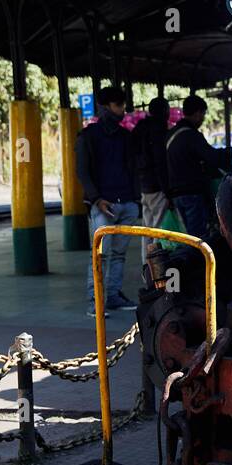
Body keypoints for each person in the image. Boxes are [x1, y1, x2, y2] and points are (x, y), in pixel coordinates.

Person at [76, 87, 140, 313]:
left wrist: (135, 201)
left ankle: (112, 296)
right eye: (118, 105)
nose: (122, 110)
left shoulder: (125, 136)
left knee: (118, 254)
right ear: (105, 107)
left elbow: (132, 168)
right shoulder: (87, 136)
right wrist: (96, 199)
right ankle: (96, 301)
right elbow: (82, 171)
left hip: (126, 203)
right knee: (100, 255)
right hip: (102, 205)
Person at [166, 94, 228, 241]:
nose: (202, 118)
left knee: (187, 236)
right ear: (198, 113)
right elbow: (212, 157)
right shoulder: (191, 135)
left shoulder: (171, 134)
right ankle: (201, 263)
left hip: (176, 194)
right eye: (203, 114)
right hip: (192, 193)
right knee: (198, 238)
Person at [132, 96, 171, 264]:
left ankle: (145, 267)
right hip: (157, 187)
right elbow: (160, 162)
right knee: (160, 229)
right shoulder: (158, 130)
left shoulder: (138, 129)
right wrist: (167, 190)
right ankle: (155, 268)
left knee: (147, 230)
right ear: (164, 112)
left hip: (143, 186)